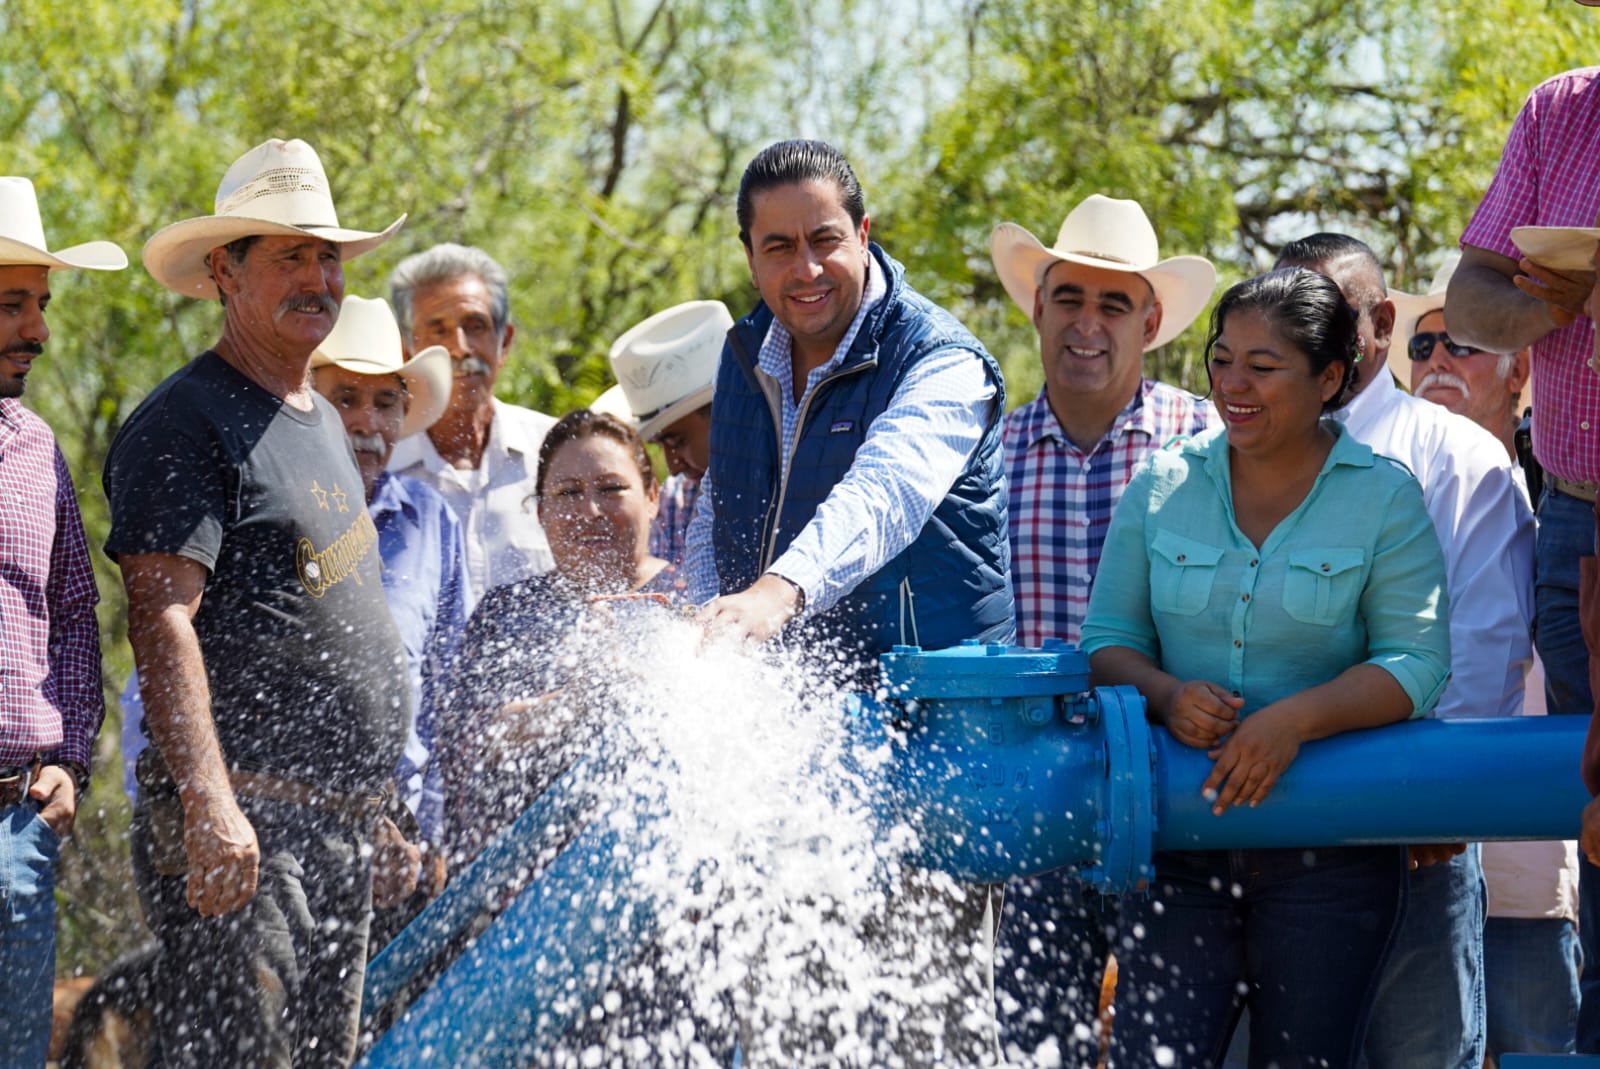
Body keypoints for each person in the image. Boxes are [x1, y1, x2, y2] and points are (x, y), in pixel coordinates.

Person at [682, 138, 1012, 1064]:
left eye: (824, 238)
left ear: (864, 233)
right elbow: (720, 508)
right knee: (787, 1030)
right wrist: (708, 615)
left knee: (921, 1039)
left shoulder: (944, 359)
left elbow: (887, 492)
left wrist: (775, 593)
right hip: (788, 762)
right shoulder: (744, 349)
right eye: (777, 246)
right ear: (749, 255)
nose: (805, 267)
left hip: (929, 758)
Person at [1084, 267, 1451, 1066]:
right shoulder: (1161, 483)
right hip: (1175, 845)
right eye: (1221, 359)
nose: (1233, 384)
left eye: (1263, 364)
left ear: (1330, 378)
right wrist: (1166, 693)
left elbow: (1417, 660)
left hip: (1337, 858)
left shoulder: (1386, 497)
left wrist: (1295, 722)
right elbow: (1106, 643)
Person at [105, 138, 419, 1069]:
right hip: (249, 834)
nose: (320, 276)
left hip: (338, 834)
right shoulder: (185, 419)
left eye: (328, 256)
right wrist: (206, 801)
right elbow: (161, 617)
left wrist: (380, 807)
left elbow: (329, 618)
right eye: (289, 255)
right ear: (223, 273)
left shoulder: (319, 418)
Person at [1276, 233, 1534, 1069]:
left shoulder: (1459, 454)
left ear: (1381, 322)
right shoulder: (1240, 457)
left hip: (1414, 845)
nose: (1304, 333)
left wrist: (1438, 802)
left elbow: (1490, 642)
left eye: (1327, 314)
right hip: (1274, 839)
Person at [987, 194, 1216, 1064]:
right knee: (1036, 1047)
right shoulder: (985, 458)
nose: (1088, 323)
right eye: (1070, 299)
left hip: (1182, 796)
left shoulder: (1208, 442)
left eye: (1113, 304)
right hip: (1035, 807)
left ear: (1150, 321)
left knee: (1168, 1052)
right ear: (1037, 310)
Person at [1445, 65, 1600, 1047]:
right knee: (1589, 799)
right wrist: (1562, 301)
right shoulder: (1559, 111)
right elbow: (1469, 303)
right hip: (1575, 516)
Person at [1396, 252, 1578, 1059]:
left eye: (1459, 343)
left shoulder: (1573, 491)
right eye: (1420, 347)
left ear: (1521, 370)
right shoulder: (1377, 489)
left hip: (1533, 865)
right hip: (1406, 845)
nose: (1434, 360)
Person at [0, 175, 121, 1064]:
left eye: (38, 305)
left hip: (15, 826)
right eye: (13, 305)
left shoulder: (38, 449)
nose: (38, 331)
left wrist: (72, 758)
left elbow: (77, 615)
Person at [449, 408, 680, 865]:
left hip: (661, 873)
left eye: (612, 489)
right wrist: (577, 702)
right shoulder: (505, 614)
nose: (590, 510)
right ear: (540, 511)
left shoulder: (694, 604)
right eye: (568, 493)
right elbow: (469, 742)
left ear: (653, 497)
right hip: (525, 883)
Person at [387, 243, 558, 605]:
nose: (460, 347)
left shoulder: (556, 453)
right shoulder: (376, 466)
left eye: (475, 325)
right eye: (438, 330)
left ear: (504, 342)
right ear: (406, 351)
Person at [593, 299, 731, 568]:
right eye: (661, 445)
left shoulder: (799, 479)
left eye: (678, 442)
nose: (672, 466)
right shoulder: (674, 502)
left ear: (726, 417)